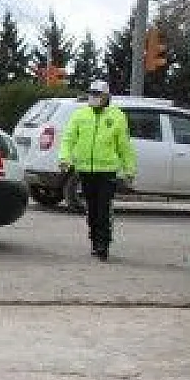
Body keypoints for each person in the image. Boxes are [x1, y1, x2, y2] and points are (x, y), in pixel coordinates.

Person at [59, 80, 136, 260]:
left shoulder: (117, 116)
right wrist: (64, 158)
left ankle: (103, 244)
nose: (94, 97)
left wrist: (129, 170)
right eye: (91, 94)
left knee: (103, 209)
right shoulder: (80, 115)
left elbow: (124, 146)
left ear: (106, 96)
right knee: (92, 209)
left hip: (107, 171)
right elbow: (68, 138)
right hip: (85, 170)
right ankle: (94, 240)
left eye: (97, 94)